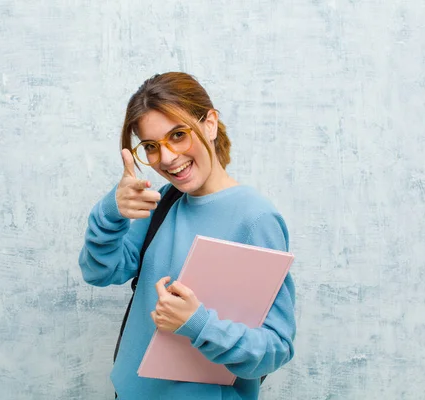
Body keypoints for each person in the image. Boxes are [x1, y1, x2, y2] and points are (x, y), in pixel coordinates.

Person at [78, 72, 296, 400]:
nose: (166, 158)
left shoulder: (255, 218)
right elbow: (100, 272)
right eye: (151, 146)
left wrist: (197, 324)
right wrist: (112, 210)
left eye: (178, 135)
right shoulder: (164, 200)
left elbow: (274, 349)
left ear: (210, 123)